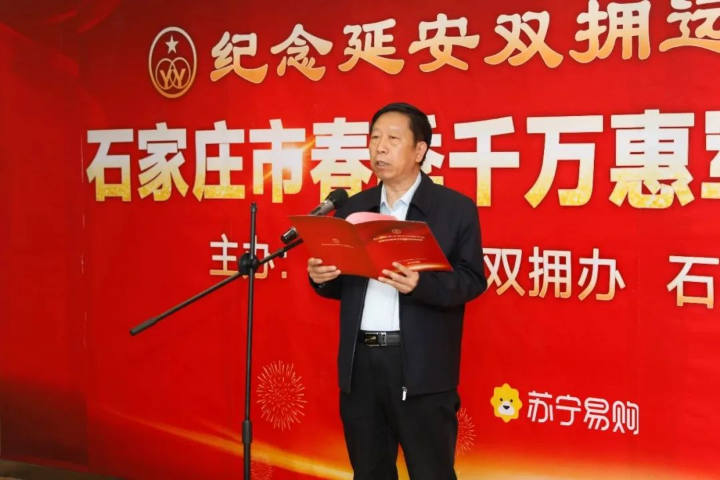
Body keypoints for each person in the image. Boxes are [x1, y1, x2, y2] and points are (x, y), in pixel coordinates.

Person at [307, 102, 487, 479]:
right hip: (360, 365)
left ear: (419, 150)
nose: (380, 148)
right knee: (369, 471)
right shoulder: (354, 209)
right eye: (374, 138)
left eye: (392, 138)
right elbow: (346, 281)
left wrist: (421, 284)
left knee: (431, 472)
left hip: (420, 368)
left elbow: (472, 279)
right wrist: (323, 277)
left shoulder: (454, 209)